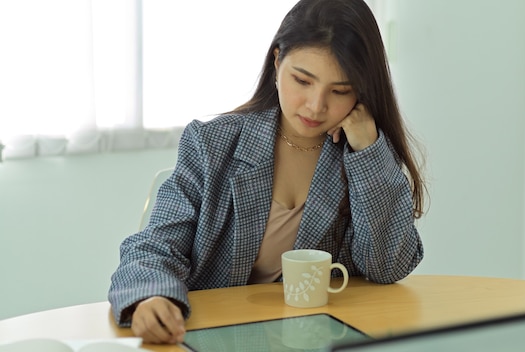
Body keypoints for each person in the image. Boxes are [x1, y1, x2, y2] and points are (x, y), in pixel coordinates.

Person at [108, 0, 426, 345]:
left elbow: (387, 267)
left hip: (312, 339)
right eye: (302, 81)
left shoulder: (363, 157)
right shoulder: (212, 143)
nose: (316, 106)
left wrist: (368, 149)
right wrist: (152, 297)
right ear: (277, 62)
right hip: (212, 340)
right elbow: (155, 245)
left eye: (340, 91)